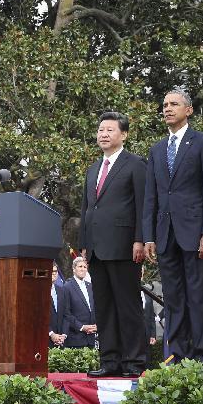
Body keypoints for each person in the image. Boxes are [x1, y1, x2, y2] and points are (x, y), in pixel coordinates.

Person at [143, 88, 203, 363]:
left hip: (196, 234)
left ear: (188, 110)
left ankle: (201, 357)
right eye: (164, 104)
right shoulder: (156, 149)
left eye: (174, 104)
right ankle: (177, 355)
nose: (167, 108)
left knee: (199, 298)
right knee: (173, 298)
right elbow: (151, 197)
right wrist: (149, 236)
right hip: (165, 235)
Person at [80, 111, 148, 378]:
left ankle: (134, 362)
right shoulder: (93, 168)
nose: (104, 134)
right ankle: (110, 361)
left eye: (109, 130)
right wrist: (84, 244)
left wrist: (140, 239)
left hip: (124, 246)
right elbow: (87, 208)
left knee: (127, 306)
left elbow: (143, 206)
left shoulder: (135, 164)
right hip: (96, 248)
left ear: (124, 134)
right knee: (104, 307)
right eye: (100, 130)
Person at [61, 257, 97, 349]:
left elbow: (94, 308)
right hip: (76, 338)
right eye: (80, 266)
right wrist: (82, 327)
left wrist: (96, 326)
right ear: (74, 269)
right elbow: (66, 313)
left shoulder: (90, 286)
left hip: (92, 338)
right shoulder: (67, 287)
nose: (83, 269)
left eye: (85, 267)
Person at [48, 264, 67, 348]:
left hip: (61, 341)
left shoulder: (62, 290)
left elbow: (67, 314)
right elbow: (37, 316)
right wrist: (51, 334)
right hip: (45, 340)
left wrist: (63, 335)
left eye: (55, 271)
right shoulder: (38, 291)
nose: (54, 273)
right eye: (51, 271)